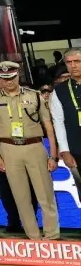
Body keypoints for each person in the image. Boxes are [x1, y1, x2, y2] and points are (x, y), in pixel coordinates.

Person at [0, 60, 60, 240]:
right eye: (4, 78)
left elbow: (48, 125)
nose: (8, 81)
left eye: (11, 77)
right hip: (9, 149)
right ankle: (33, 237)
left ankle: (52, 236)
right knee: (21, 197)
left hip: (35, 146)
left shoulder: (35, 96)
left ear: (18, 75)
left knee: (45, 194)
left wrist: (54, 155)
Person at [49, 48, 81, 189]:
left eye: (77, 61)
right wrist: (64, 150)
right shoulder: (58, 91)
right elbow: (58, 122)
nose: (73, 65)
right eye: (69, 62)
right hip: (77, 148)